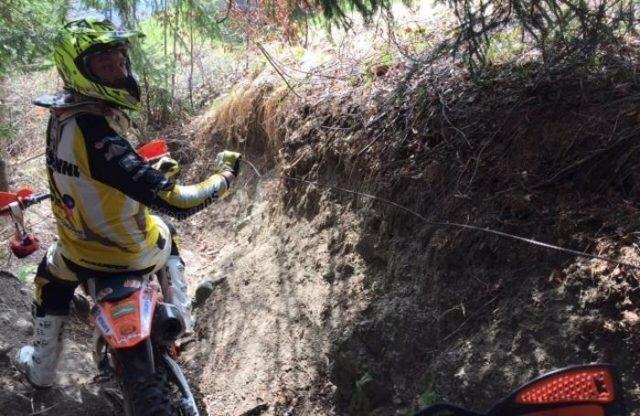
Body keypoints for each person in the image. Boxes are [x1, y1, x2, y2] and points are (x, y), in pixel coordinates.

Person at [14, 18, 241, 388]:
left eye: (120, 62)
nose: (119, 73)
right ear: (80, 69)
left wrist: (140, 170)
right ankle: (181, 318)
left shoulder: (61, 117)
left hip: (76, 254)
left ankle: (40, 370)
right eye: (105, 66)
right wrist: (225, 180)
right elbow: (178, 203)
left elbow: (90, 173)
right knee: (166, 230)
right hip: (131, 253)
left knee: (47, 281)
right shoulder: (100, 135)